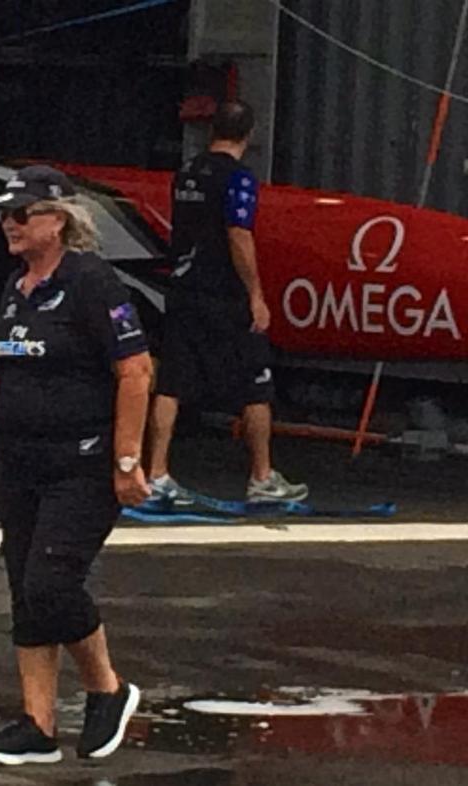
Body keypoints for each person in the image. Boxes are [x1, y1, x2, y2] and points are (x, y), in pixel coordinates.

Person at [0, 165, 151, 765]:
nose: (9, 225)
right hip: (20, 460)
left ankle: (108, 688)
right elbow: (4, 372)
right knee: (24, 588)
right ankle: (37, 724)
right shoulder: (15, 288)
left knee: (52, 582)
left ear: (58, 219)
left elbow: (135, 371)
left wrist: (127, 458)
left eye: (21, 215)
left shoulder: (92, 283)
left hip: (82, 461)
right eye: (4, 215)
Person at [147, 99, 308, 505]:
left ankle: (157, 473)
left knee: (172, 383)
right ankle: (261, 477)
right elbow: (239, 233)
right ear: (249, 136)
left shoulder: (186, 173)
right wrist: (256, 294)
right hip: (224, 294)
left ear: (210, 130)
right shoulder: (238, 178)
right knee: (257, 383)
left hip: (183, 289)